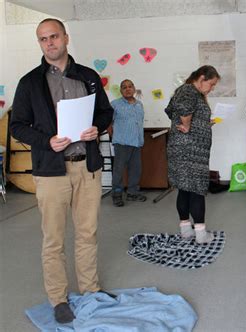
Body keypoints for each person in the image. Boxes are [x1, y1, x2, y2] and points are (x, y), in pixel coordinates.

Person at [10, 18, 114, 324]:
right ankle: (58, 299)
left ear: (66, 38)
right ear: (40, 43)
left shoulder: (89, 77)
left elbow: (106, 111)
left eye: (54, 36)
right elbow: (17, 126)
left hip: (87, 168)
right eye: (43, 39)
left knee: (87, 233)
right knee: (53, 239)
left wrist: (98, 127)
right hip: (51, 172)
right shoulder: (29, 83)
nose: (49, 43)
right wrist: (46, 141)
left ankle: (91, 290)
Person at [165, 65, 220, 244]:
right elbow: (183, 108)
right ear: (202, 78)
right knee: (197, 189)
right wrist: (188, 126)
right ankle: (201, 235)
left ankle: (186, 231)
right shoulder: (189, 90)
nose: (211, 88)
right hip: (189, 150)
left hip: (185, 148)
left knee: (186, 189)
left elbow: (169, 110)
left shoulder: (188, 91)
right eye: (211, 84)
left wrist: (203, 123)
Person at [110, 79, 146, 207]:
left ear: (134, 88)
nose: (127, 89)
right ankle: (117, 195)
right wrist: (114, 137)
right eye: (124, 87)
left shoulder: (139, 105)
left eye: (130, 86)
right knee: (119, 170)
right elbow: (109, 123)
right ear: (121, 91)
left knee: (135, 170)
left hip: (137, 142)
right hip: (122, 143)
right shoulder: (115, 105)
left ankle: (132, 193)